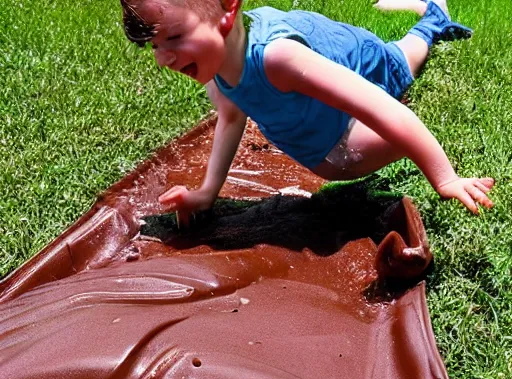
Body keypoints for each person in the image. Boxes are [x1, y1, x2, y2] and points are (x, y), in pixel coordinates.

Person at [120, 0, 494, 224]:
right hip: (325, 56)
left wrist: (446, 179)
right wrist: (206, 193)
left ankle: (433, 16)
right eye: (153, 45)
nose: (164, 57)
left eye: (173, 38)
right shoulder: (216, 65)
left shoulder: (277, 58)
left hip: (365, 61)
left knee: (402, 59)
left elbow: (382, 110)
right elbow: (232, 116)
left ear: (227, 9)